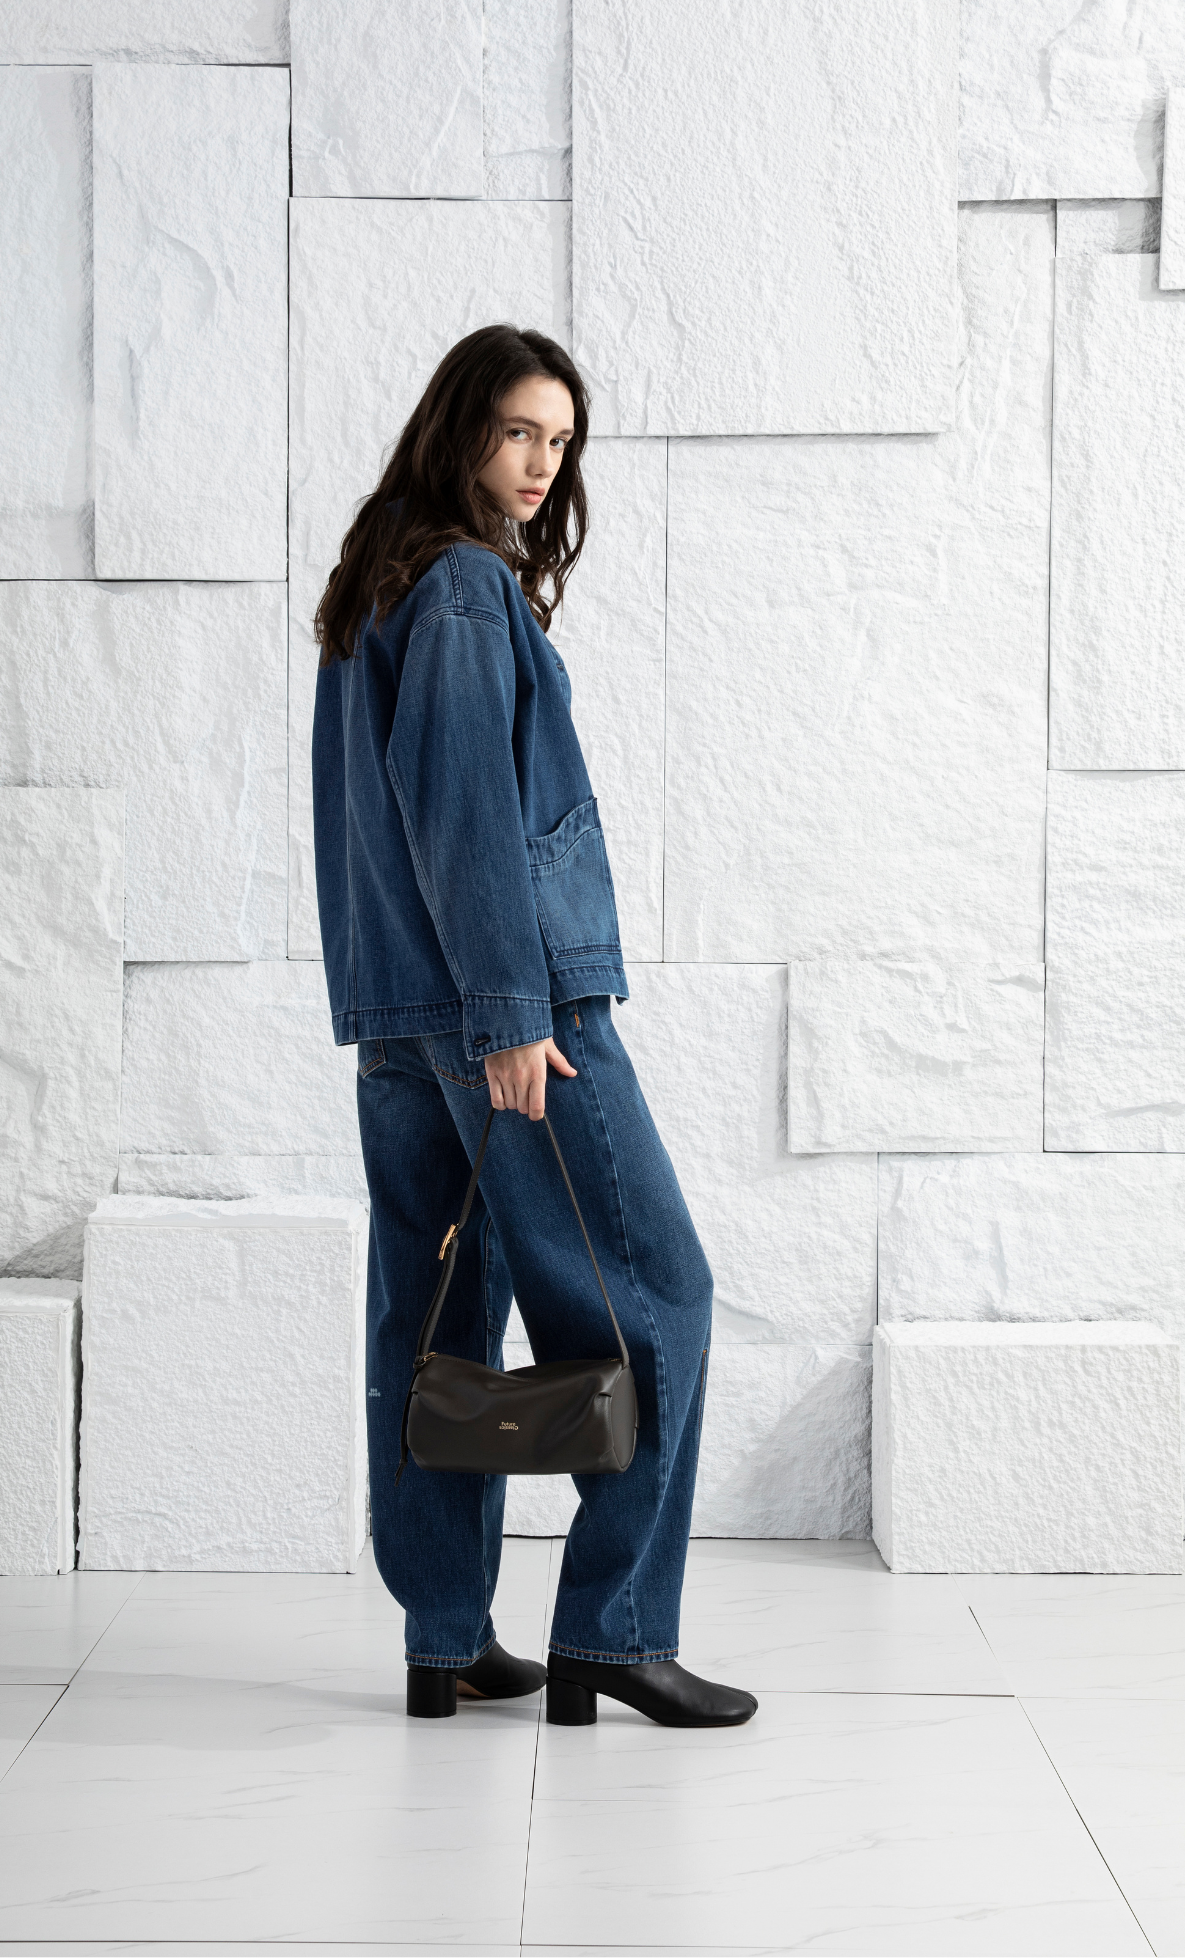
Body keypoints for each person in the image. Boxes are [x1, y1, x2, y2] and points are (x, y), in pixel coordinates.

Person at [311, 324, 756, 1731]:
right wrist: (511, 1016)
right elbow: (466, 818)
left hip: (403, 1023)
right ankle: (610, 1636)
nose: (541, 464)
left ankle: (443, 1636)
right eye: (518, 432)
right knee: (660, 1293)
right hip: (512, 1020)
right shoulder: (458, 590)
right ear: (459, 429)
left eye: (560, 442)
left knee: (436, 1322)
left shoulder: (379, 586)